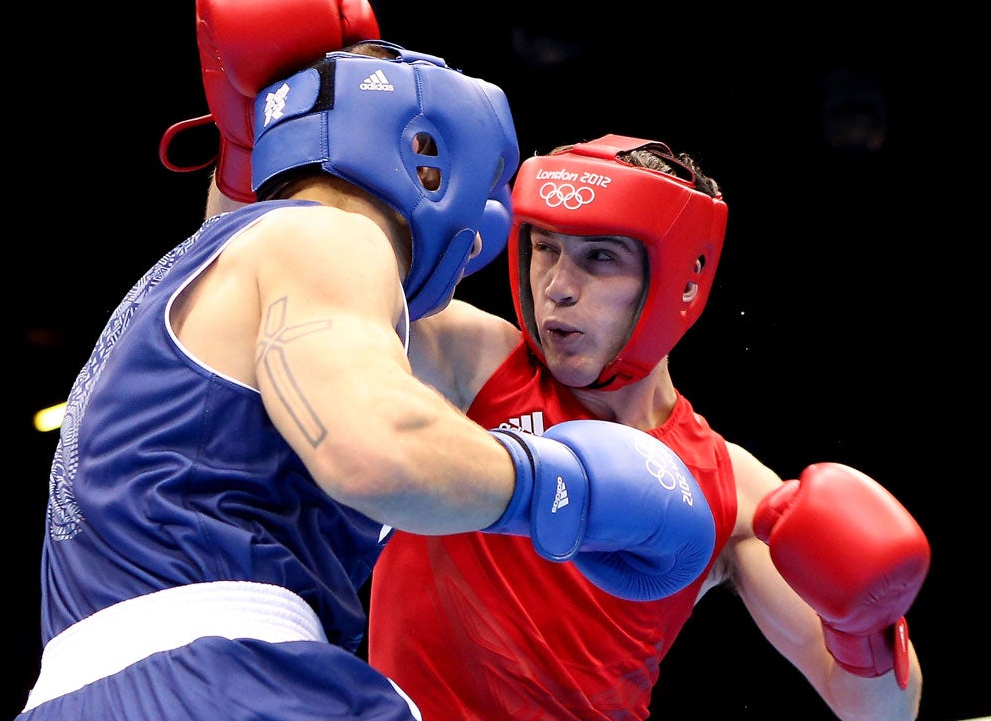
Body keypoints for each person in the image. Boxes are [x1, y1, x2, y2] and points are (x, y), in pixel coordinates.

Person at [15, 0, 720, 720]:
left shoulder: (204, 267)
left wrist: (252, 132)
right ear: (426, 158)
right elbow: (373, 451)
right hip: (234, 678)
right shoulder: (334, 239)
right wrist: (565, 489)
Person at [367, 134, 931, 721]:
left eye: (600, 257)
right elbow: (316, 294)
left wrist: (865, 627)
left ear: (679, 284)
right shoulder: (467, 359)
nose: (557, 286)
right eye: (544, 248)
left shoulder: (733, 491)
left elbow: (881, 713)